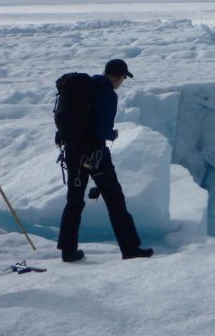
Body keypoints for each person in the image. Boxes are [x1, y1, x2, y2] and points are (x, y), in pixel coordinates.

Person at [57, 59, 153, 262]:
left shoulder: (82, 89)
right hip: (95, 155)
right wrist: (111, 134)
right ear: (118, 76)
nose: (122, 81)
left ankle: (68, 250)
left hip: (73, 152)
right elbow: (102, 129)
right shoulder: (107, 94)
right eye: (124, 77)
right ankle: (130, 248)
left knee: (74, 201)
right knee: (115, 200)